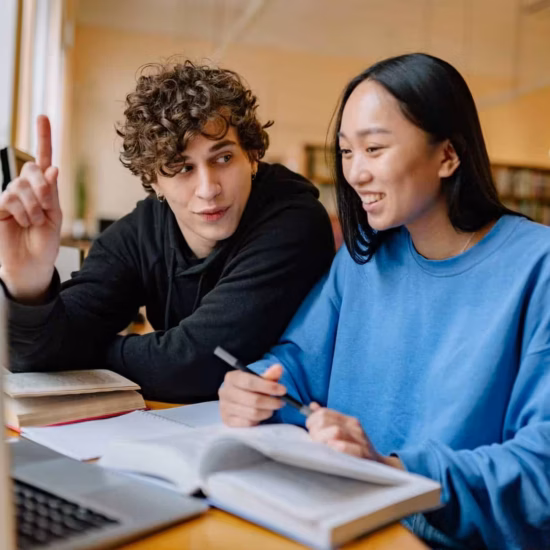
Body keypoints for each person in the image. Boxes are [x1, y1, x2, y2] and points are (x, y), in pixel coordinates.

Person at [218, 53, 550, 549]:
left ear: (448, 156)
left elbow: (540, 469)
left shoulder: (538, 266)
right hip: (344, 523)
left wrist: (395, 474)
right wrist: (256, 388)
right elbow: (296, 363)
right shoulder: (361, 262)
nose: (353, 174)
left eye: (374, 148)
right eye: (346, 152)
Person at [0, 60, 335, 403]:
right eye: (181, 167)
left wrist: (75, 353)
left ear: (251, 157)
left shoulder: (294, 221)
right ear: (154, 180)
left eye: (223, 159)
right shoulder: (140, 231)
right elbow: (35, 355)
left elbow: (195, 366)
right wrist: (29, 284)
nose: (208, 189)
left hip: (301, 430)